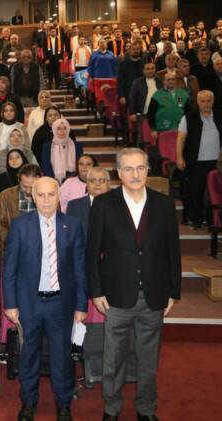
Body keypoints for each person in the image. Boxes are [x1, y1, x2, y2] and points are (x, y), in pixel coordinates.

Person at [87, 148, 181, 421]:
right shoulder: (103, 204)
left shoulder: (164, 204)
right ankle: (111, 407)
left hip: (154, 294)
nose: (135, 174)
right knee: (113, 358)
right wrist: (96, 291)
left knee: (148, 359)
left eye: (140, 167)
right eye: (128, 169)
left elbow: (172, 251)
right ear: (119, 173)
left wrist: (173, 292)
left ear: (148, 169)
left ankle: (146, 408)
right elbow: (92, 253)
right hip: (115, 295)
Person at [4, 176, 87, 421]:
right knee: (29, 356)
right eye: (41, 195)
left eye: (51, 194)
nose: (47, 200)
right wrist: (11, 303)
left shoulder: (72, 225)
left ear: (58, 196)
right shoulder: (20, 225)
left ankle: (64, 404)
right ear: (33, 196)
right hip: (29, 304)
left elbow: (80, 269)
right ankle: (28, 403)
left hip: (61, 304)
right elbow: (10, 269)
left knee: (62, 357)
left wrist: (81, 305)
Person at [177, 90, 222, 229]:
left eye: (209, 101)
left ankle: (214, 221)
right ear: (197, 102)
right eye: (202, 101)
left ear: (213, 101)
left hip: (217, 162)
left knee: (216, 193)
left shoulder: (220, 115)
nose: (206, 104)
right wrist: (179, 157)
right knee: (195, 192)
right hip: (196, 161)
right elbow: (180, 139)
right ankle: (196, 220)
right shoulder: (188, 117)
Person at [0, 164, 42, 251]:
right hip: (14, 247)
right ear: (19, 180)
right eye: (25, 186)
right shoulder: (5, 196)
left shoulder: (49, 197)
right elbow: (0, 225)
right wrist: (13, 241)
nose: (28, 191)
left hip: (41, 247)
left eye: (33, 187)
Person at [65, 166, 111, 241]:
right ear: (87, 183)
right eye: (93, 180)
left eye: (102, 180)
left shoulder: (118, 206)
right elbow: (71, 237)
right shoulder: (74, 206)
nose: (97, 184)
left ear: (109, 183)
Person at [41, 118, 83, 183]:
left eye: (64, 128)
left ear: (68, 130)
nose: (62, 131)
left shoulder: (77, 146)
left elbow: (79, 165)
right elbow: (46, 166)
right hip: (52, 181)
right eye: (59, 128)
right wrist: (53, 181)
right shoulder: (47, 147)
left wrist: (71, 180)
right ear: (54, 130)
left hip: (73, 180)